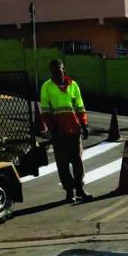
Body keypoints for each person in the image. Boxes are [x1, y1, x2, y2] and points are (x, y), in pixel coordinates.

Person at [40, 59, 93, 203]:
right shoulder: (46, 87)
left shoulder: (73, 86)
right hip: (59, 133)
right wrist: (53, 128)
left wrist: (84, 125)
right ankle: (69, 192)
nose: (56, 74)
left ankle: (80, 189)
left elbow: (80, 107)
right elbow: (45, 111)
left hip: (74, 131)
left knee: (77, 162)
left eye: (59, 70)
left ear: (64, 70)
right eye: (53, 72)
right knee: (62, 164)